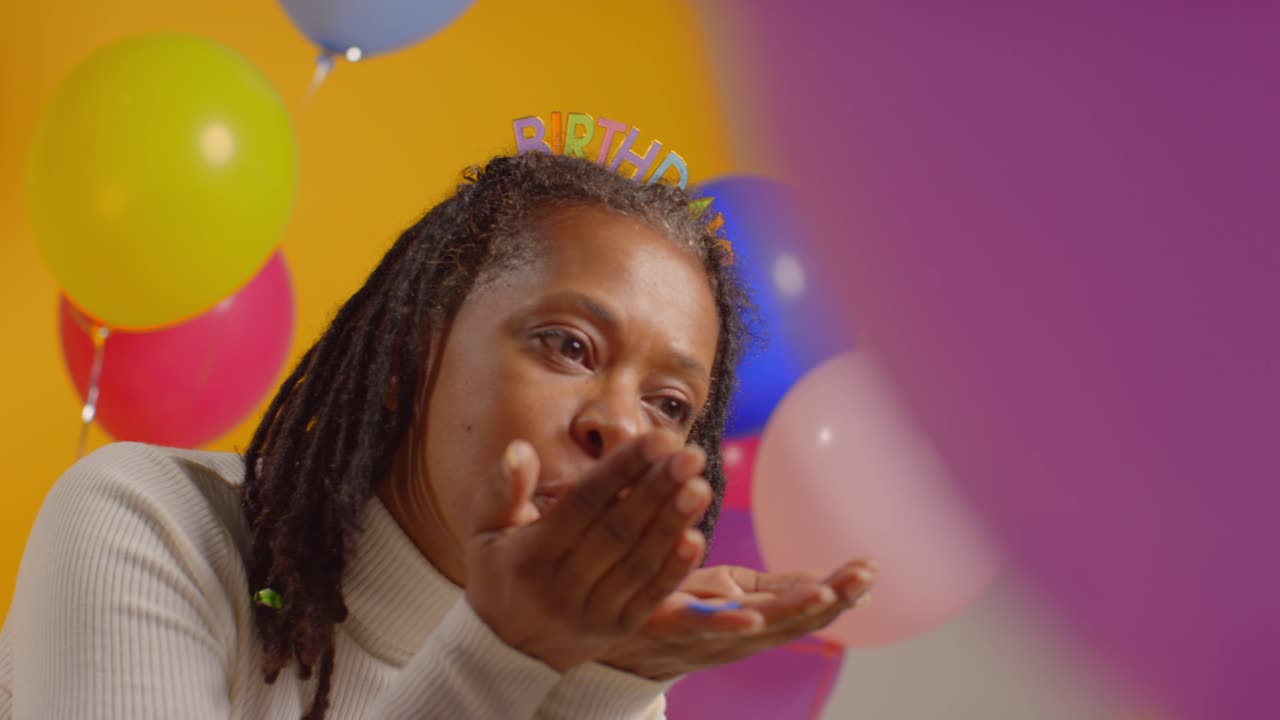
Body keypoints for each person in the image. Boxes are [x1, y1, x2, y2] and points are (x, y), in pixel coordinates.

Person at [0, 152, 875, 719]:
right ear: (411, 351)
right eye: (569, 346)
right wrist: (509, 653)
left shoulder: (594, 659)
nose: (622, 426)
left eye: (670, 405)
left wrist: (598, 685)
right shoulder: (144, 520)